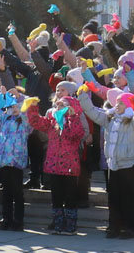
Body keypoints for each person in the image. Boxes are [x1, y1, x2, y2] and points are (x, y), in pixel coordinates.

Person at [77, 85, 134, 240]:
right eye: (117, 103)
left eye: (121, 103)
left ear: (127, 106)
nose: (117, 105)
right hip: (112, 164)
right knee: (113, 197)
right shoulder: (110, 118)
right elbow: (93, 112)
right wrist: (83, 97)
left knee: (128, 197)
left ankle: (129, 228)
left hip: (127, 165)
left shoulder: (132, 121)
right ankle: (114, 226)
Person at [24, 80, 85, 235]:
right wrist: (32, 107)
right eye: (57, 91)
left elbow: (75, 135)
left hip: (69, 164)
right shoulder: (51, 117)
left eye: (62, 105)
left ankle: (70, 226)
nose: (58, 106)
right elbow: (37, 123)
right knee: (56, 196)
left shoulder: (74, 119)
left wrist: (69, 118)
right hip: (54, 163)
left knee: (70, 196)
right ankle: (58, 225)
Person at [0, 87, 32, 231]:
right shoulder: (4, 119)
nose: (14, 108)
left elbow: (30, 109)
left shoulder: (25, 122)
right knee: (7, 191)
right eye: (12, 106)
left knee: (17, 191)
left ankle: (18, 220)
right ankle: (6, 218)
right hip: (4, 160)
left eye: (17, 106)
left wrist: (21, 97)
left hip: (16, 160)